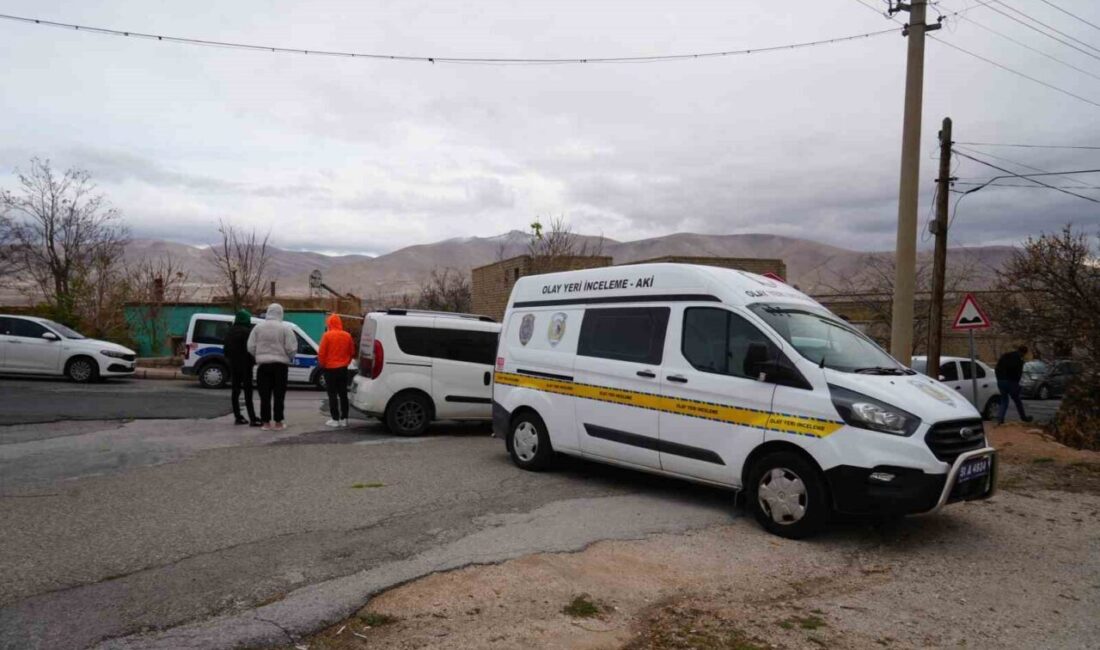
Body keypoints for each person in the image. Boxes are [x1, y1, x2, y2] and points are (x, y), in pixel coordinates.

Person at [247, 303, 297, 431]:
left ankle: (266, 423)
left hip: (263, 366)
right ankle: (279, 422)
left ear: (268, 312)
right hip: (280, 366)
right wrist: (289, 356)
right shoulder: (285, 329)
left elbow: (251, 346)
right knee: (279, 395)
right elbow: (291, 348)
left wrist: (259, 355)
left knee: (265, 396)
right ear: (280, 313)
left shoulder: (258, 328)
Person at [317, 313, 355, 427]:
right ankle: (345, 418)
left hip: (330, 369)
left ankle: (335, 419)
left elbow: (322, 353)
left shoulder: (327, 336)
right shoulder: (347, 336)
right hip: (343, 369)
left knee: (332, 394)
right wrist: (346, 362)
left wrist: (323, 365)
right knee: (343, 394)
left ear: (329, 323)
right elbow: (352, 352)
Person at [223, 309, 260, 426]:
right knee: (248, 391)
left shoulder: (230, 332)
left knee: (235, 391)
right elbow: (252, 349)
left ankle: (237, 416)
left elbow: (226, 350)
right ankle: (253, 418)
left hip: (234, 365)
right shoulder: (248, 332)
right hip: (246, 365)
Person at [995, 344, 1033, 425]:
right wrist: (1017, 384)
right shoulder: (1019, 361)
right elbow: (1018, 374)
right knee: (1017, 400)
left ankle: (1000, 419)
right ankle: (1023, 417)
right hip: (1011, 382)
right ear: (1024, 353)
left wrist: (999, 379)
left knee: (1004, 400)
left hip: (1001, 381)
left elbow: (997, 368)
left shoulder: (1005, 356)